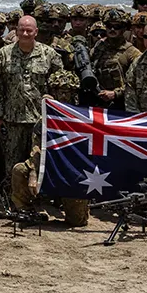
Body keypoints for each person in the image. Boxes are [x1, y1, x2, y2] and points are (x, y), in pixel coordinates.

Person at [0, 15, 63, 174]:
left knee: (39, 164)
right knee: (12, 164)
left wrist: (54, 114)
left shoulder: (49, 55)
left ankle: (37, 198)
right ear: (16, 31)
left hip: (40, 119)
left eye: (28, 30)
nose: (24, 34)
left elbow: (59, 87)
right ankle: (11, 197)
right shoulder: (4, 54)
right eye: (21, 30)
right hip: (12, 120)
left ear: (35, 32)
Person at [45, 71, 91, 226]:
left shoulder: (83, 117)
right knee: (20, 171)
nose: (63, 95)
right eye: (59, 91)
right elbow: (36, 147)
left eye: (68, 91)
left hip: (73, 172)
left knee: (77, 221)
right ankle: (27, 209)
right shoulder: (47, 116)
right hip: (49, 168)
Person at [91, 8, 140, 105]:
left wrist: (115, 93)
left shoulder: (132, 52)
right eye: (109, 26)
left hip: (120, 103)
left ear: (124, 29)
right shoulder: (98, 48)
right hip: (97, 98)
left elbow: (138, 83)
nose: (112, 29)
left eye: (117, 26)